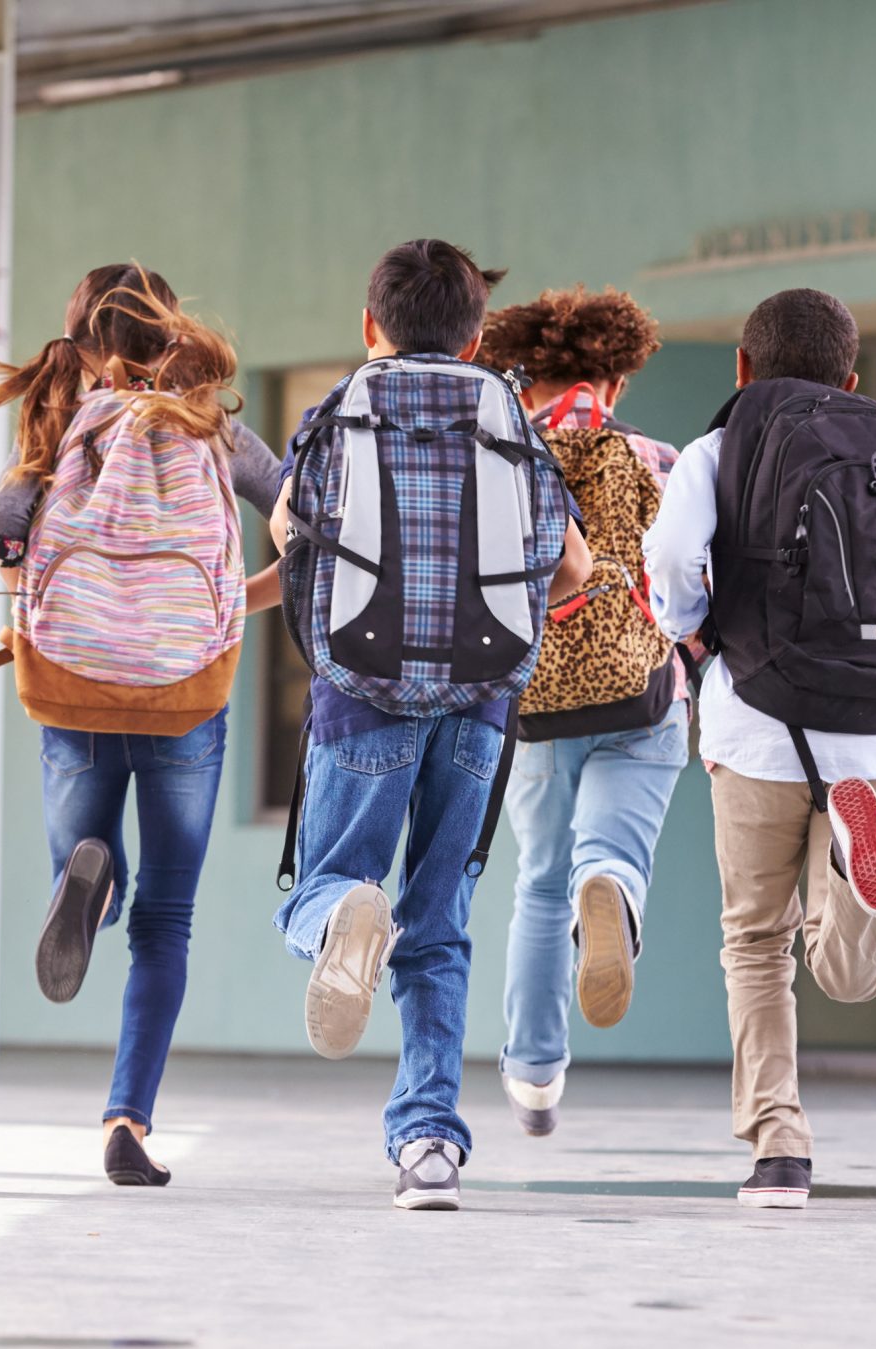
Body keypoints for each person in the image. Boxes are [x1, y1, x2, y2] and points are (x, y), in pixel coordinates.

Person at [643, 287, 876, 1209]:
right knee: (850, 972)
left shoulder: (720, 448)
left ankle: (780, 1147)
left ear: (742, 368)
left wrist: (688, 627)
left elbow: (672, 556)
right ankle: (856, 878)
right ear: (852, 375)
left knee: (757, 942)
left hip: (757, 726)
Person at [266, 240, 590, 1209]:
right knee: (439, 919)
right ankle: (428, 1145)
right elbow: (570, 564)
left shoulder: (342, 408)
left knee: (323, 883)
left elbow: (287, 531)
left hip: (360, 692)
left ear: (371, 325)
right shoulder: (508, 415)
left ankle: (341, 916)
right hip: (481, 702)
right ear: (476, 336)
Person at [0, 266, 281, 1187]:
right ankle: (128, 1119)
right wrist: (230, 607)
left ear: (80, 348)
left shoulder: (58, 424)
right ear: (171, 334)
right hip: (186, 692)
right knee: (167, 921)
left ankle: (89, 883)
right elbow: (303, 523)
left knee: (84, 861)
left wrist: (44, 608)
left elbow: (4, 535)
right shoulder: (212, 426)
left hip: (76, 686)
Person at [476, 287, 688, 1138]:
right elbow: (690, 583)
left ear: (523, 378)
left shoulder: (502, 459)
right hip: (640, 695)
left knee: (538, 882)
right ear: (617, 379)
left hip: (536, 704)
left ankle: (533, 1075)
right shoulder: (655, 457)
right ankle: (612, 889)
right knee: (610, 853)